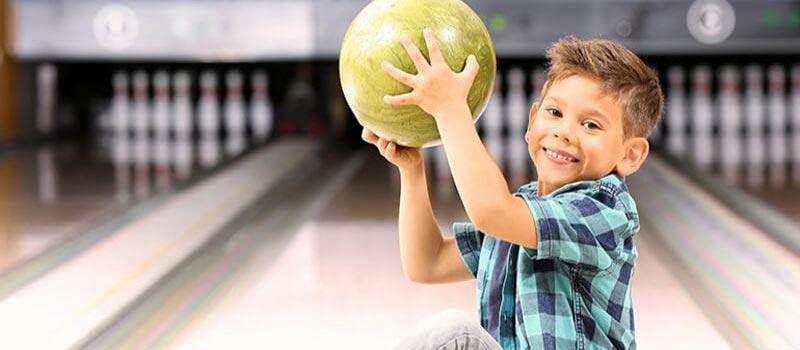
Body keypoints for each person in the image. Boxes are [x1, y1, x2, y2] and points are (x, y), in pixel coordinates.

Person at [362, 28, 664, 350]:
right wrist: (413, 171)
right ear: (532, 120)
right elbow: (428, 263)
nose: (564, 132)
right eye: (555, 112)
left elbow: (492, 211)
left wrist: (450, 108)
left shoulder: (602, 211)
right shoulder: (523, 212)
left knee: (454, 333)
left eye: (591, 125)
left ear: (630, 154)